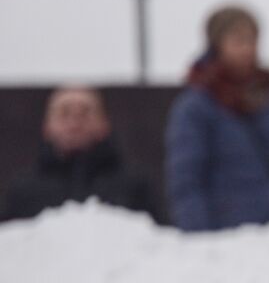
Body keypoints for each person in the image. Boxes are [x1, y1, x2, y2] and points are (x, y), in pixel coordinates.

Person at [164, 4, 269, 232]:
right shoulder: (195, 108)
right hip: (227, 239)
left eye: (252, 40)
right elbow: (187, 183)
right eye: (238, 40)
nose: (247, 49)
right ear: (217, 45)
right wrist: (200, 243)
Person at [1, 86, 157, 223]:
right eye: (64, 113)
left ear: (104, 124)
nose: (74, 123)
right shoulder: (23, 192)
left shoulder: (135, 186)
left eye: (85, 113)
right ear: (47, 127)